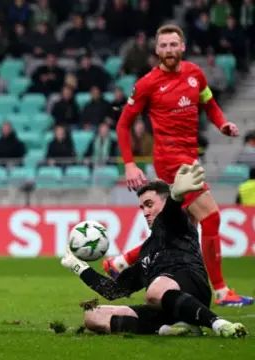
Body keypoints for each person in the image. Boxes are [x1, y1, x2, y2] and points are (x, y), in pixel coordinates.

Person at [108, 24, 252, 307]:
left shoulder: (195, 75)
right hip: (171, 161)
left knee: (182, 230)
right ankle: (221, 291)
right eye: (164, 45)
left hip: (190, 158)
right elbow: (123, 124)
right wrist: (129, 164)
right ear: (157, 50)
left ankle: (121, 262)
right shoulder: (148, 83)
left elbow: (209, 104)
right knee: (212, 217)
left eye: (174, 44)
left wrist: (221, 124)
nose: (169, 50)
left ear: (183, 47)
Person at [61, 162, 247, 337]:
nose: (145, 212)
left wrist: (175, 197)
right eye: (142, 207)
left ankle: (219, 324)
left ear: (165, 203)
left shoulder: (178, 224)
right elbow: (114, 291)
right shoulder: (147, 250)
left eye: (149, 205)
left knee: (154, 290)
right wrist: (79, 266)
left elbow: (171, 214)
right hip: (161, 305)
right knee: (93, 316)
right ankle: (168, 328)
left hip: (193, 288)